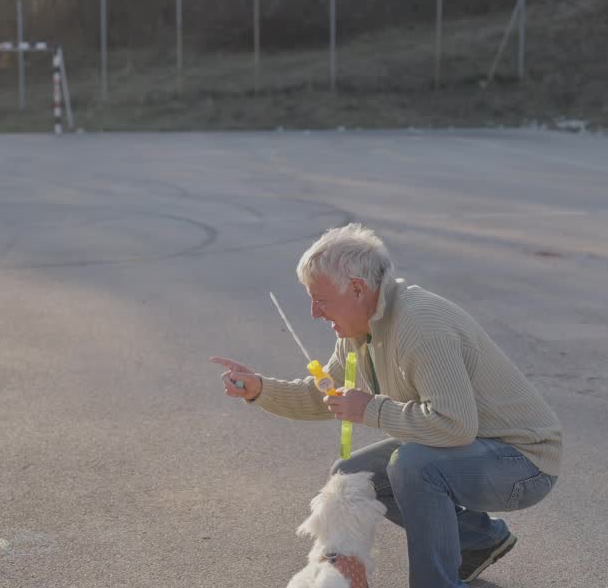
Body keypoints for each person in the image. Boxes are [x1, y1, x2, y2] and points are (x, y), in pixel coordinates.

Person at [211, 223, 562, 588]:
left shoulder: (420, 324)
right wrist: (259, 389)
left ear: (358, 289)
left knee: (414, 465)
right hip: (474, 450)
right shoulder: (359, 330)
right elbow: (324, 395)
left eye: (320, 299)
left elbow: (455, 425)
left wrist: (370, 408)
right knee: (353, 475)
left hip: (525, 462)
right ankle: (479, 540)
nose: (315, 312)